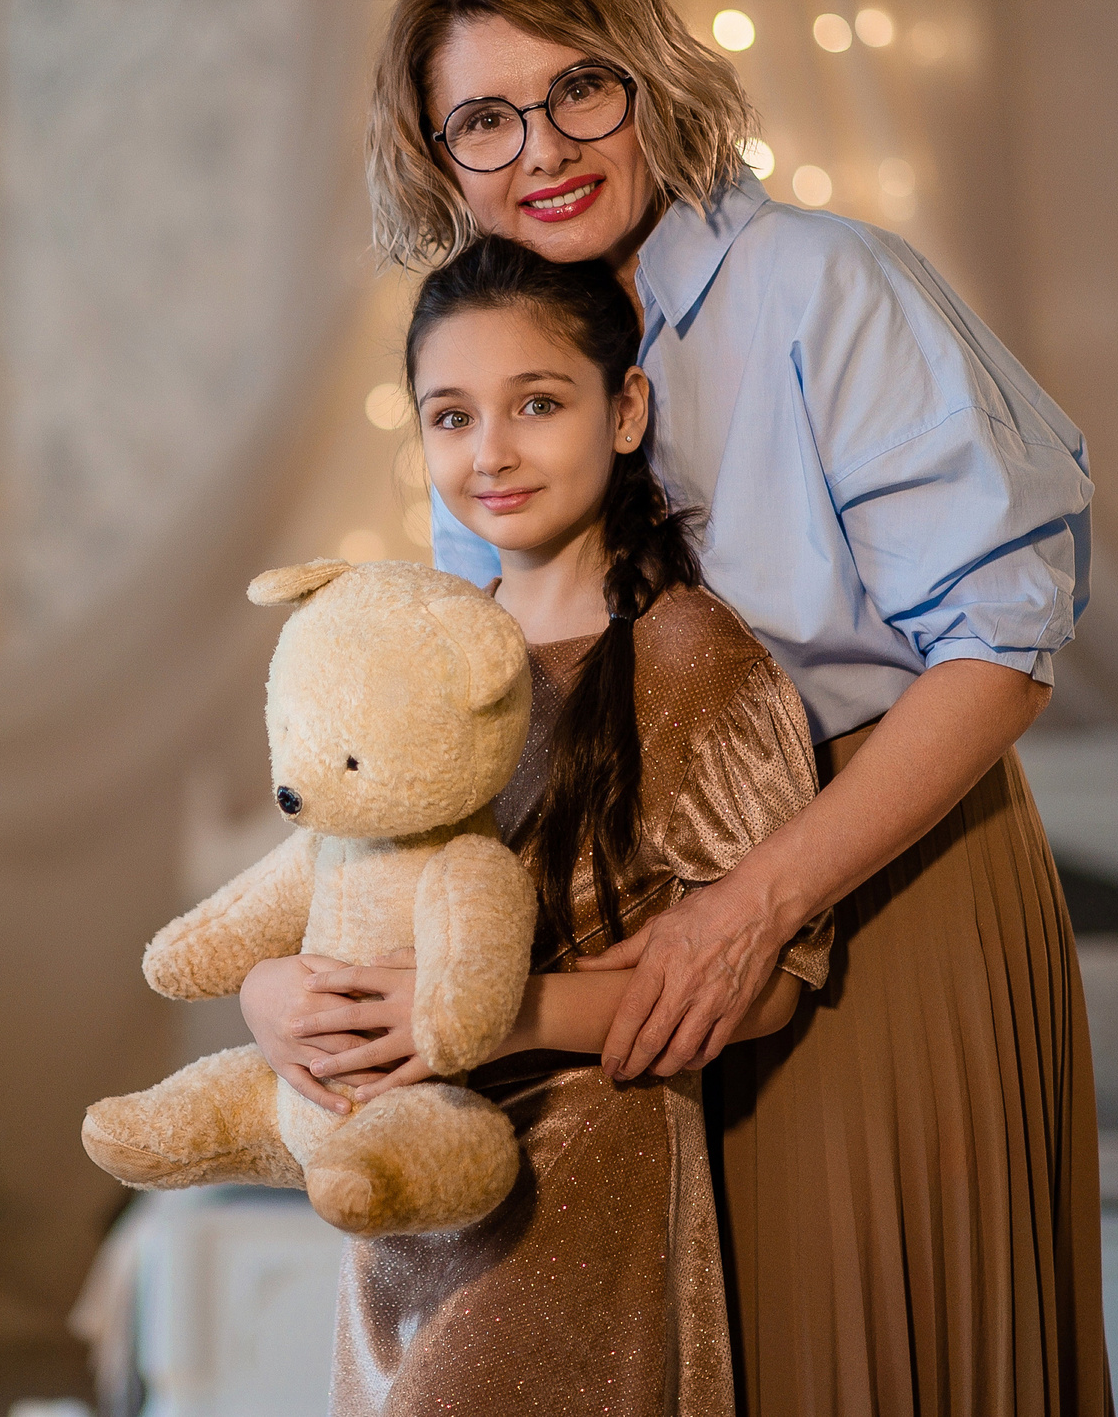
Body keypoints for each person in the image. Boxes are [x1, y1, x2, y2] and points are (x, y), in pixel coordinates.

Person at [245, 0, 1109, 1415]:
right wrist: (291, 978)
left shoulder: (823, 287)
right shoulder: (497, 370)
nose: (546, 148)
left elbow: (1002, 643)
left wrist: (760, 901)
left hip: (883, 874)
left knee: (862, 1353)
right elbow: (465, 739)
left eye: (582, 89)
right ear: (437, 156)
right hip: (636, 910)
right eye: (486, 119)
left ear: (648, 78)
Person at [291, 232, 824, 1415]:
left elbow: (768, 979)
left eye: (536, 402)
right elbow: (325, 876)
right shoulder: (418, 649)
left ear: (624, 407)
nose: (491, 451)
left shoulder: (689, 654)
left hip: (579, 1192)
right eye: (450, 415)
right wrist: (271, 999)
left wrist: (490, 1016)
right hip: (405, 1205)